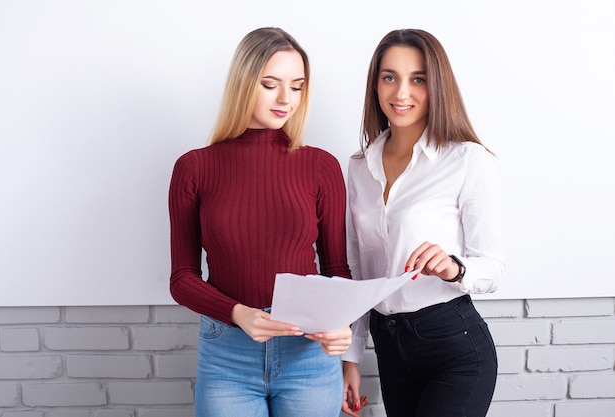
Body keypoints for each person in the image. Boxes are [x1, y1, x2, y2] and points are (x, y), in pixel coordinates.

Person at [168, 27, 352, 417]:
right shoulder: (194, 168)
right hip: (227, 357)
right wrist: (239, 313)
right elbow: (182, 278)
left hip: (309, 356)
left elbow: (337, 270)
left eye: (298, 86)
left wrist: (340, 326)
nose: (286, 99)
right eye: (270, 84)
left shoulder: (321, 166)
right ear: (243, 82)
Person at [341, 29, 504, 417]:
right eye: (389, 77)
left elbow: (493, 267)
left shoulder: (467, 160)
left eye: (418, 79)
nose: (401, 93)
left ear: (437, 86)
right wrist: (350, 358)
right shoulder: (359, 167)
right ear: (375, 85)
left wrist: (453, 267)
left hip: (453, 344)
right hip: (390, 347)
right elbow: (359, 273)